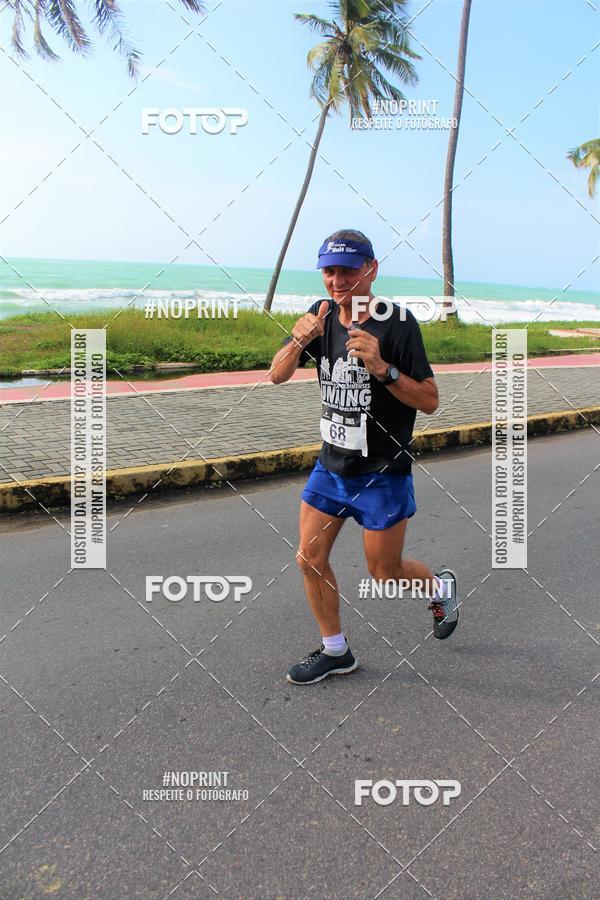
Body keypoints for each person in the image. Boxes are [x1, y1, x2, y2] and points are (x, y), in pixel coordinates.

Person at [270, 229, 458, 685]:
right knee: (309, 559)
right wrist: (297, 341)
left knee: (384, 573)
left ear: (371, 270)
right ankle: (336, 651)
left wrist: (383, 368)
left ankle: (439, 587)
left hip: (381, 472)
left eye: (348, 271)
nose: (337, 281)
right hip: (331, 466)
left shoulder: (398, 323)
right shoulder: (320, 314)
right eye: (329, 271)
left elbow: (430, 400)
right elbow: (276, 375)